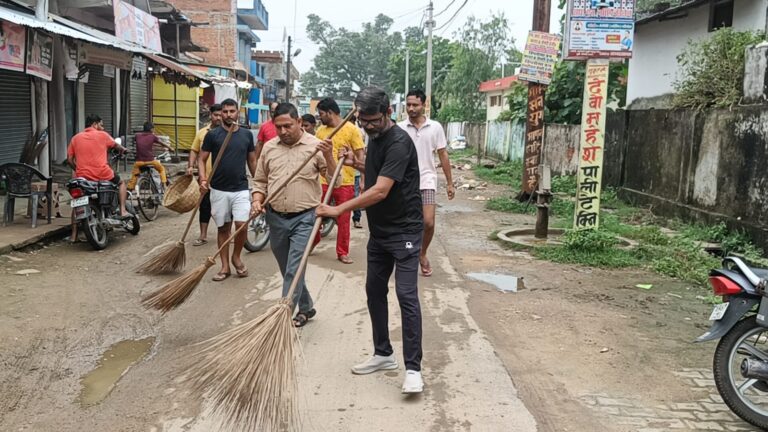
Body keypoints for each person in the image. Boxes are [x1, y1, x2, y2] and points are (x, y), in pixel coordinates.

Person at [316, 87, 424, 394]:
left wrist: (339, 209)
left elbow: (380, 190)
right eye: (362, 120)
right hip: (380, 232)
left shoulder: (399, 142)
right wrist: (355, 162)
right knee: (374, 291)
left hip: (405, 231)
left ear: (388, 112)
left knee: (406, 295)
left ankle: (413, 369)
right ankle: (383, 354)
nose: (367, 125)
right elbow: (377, 170)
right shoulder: (374, 137)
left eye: (373, 120)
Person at [251, 103, 337, 327]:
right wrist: (257, 201)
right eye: (278, 127)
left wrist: (329, 156)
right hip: (275, 217)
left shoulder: (316, 146)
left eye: (288, 126)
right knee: (288, 269)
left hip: (306, 218)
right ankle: (306, 307)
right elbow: (260, 181)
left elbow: (334, 181)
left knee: (294, 268)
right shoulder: (269, 147)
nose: (283, 131)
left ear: (299, 122)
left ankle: (283, 316)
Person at [199, 99, 258, 281]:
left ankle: (236, 257)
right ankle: (225, 266)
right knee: (223, 228)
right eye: (225, 111)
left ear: (237, 112)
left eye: (232, 111)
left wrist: (259, 184)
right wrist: (202, 179)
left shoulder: (246, 135)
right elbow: (201, 159)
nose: (228, 115)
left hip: (240, 188)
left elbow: (252, 160)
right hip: (218, 189)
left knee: (242, 225)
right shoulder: (212, 135)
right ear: (221, 114)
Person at [398, 89, 454, 277]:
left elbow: (443, 154)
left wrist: (450, 183)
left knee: (428, 222)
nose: (411, 108)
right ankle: (408, 254)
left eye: (415, 105)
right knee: (406, 223)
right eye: (408, 105)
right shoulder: (400, 128)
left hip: (427, 180)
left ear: (423, 105)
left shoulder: (435, 127)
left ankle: (422, 253)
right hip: (404, 183)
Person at [311, 97, 365, 264]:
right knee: (315, 214)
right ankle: (312, 242)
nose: (319, 117)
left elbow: (360, 155)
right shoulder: (321, 131)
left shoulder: (351, 129)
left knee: (343, 218)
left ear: (330, 113)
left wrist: (363, 179)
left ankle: (342, 252)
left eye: (321, 114)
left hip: (345, 181)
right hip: (323, 180)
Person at [67, 114, 130, 241]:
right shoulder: (103, 135)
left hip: (82, 177)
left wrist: (78, 169)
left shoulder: (75, 138)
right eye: (101, 125)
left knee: (78, 202)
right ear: (94, 124)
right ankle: (123, 210)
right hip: (103, 173)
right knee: (121, 183)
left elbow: (69, 160)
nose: (103, 128)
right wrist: (124, 150)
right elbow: (117, 146)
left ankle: (73, 236)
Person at [188, 104, 223, 246]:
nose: (218, 118)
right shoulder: (202, 133)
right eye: (216, 115)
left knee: (223, 208)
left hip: (222, 178)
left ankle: (226, 233)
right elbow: (194, 150)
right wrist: (190, 166)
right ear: (211, 115)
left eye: (220, 115)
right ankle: (203, 235)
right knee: (204, 206)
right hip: (205, 178)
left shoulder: (228, 133)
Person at [126, 122, 173, 191]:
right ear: (151, 129)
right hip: (151, 161)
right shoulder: (152, 136)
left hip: (139, 162)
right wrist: (170, 148)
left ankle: (129, 189)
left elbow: (139, 142)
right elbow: (162, 143)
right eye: (153, 129)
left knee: (134, 176)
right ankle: (164, 185)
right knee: (162, 169)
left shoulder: (137, 136)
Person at [351, 114, 368, 229]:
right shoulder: (340, 132)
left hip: (356, 172)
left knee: (355, 196)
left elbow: (362, 155)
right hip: (344, 172)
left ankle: (357, 219)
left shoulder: (358, 132)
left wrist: (363, 179)